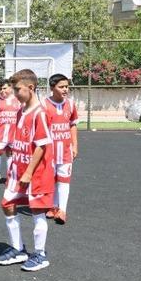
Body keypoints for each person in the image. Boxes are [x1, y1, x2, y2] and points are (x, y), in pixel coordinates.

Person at [0, 69, 55, 272]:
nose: (14, 93)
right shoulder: (21, 110)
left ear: (31, 87)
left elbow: (42, 145)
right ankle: (18, 249)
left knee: (38, 212)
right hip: (17, 169)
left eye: (17, 89)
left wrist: (28, 172)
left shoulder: (40, 113)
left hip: (36, 173)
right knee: (7, 204)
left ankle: (40, 254)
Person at [41, 74, 78, 225]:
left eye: (66, 86)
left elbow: (73, 125)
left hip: (66, 150)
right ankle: (53, 206)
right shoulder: (43, 105)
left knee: (64, 180)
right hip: (49, 151)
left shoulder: (70, 104)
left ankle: (62, 210)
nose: (65, 90)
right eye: (61, 87)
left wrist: (75, 145)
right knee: (51, 180)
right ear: (52, 88)